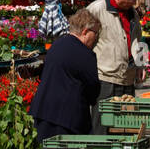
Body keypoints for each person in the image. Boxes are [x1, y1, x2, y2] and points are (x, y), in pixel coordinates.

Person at [29, 9, 101, 141]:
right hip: (68, 119)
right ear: (85, 32)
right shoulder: (85, 54)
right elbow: (93, 89)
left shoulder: (57, 44)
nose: (96, 38)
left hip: (44, 113)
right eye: (95, 33)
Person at [86, 0, 144, 133]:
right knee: (102, 124)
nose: (133, 3)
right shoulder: (96, 9)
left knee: (125, 125)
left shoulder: (132, 13)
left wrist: (141, 64)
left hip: (128, 76)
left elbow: (139, 40)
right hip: (105, 76)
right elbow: (83, 40)